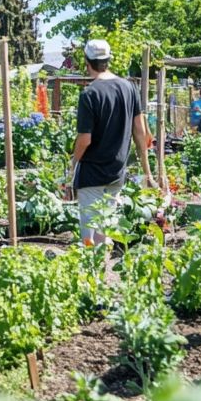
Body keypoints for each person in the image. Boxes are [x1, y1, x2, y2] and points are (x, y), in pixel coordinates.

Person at [70, 39, 154, 247]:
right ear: (108, 60)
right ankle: (103, 276)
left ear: (87, 61)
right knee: (104, 230)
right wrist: (148, 172)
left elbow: (85, 139)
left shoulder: (89, 94)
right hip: (117, 172)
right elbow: (141, 132)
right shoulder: (129, 87)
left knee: (90, 237)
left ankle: (93, 277)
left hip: (92, 173)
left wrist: (73, 163)